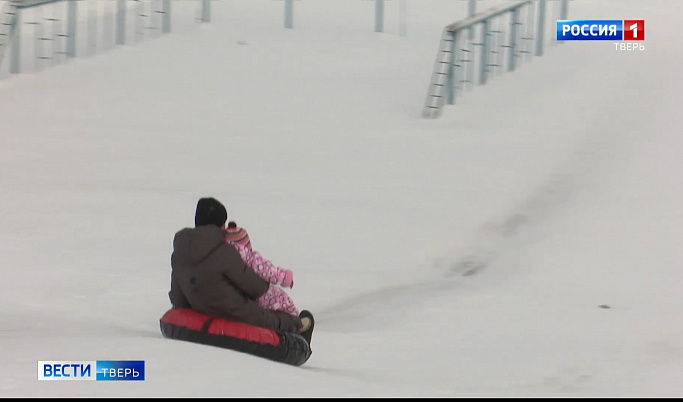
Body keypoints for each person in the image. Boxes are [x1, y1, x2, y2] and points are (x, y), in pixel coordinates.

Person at [169, 197, 313, 339]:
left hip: (201, 312)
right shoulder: (223, 250)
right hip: (233, 312)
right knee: (268, 317)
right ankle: (298, 327)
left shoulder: (180, 252)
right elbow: (254, 286)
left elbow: (178, 297)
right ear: (220, 225)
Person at [224, 221, 300, 315]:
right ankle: (295, 320)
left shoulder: (223, 257)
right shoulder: (250, 258)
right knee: (281, 299)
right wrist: (285, 278)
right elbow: (268, 271)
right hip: (256, 294)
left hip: (233, 296)